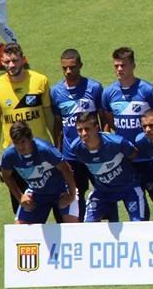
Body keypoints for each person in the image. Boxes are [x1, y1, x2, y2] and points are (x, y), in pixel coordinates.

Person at [0, 43, 55, 215]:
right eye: (7, 61)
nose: (11, 65)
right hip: (15, 155)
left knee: (55, 200)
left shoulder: (40, 81)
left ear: (24, 59)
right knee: (23, 206)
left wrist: (56, 142)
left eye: (15, 61)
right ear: (2, 61)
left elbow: (48, 114)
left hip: (42, 153)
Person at [101, 47, 153, 218]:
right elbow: (109, 121)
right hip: (126, 159)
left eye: (123, 65)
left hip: (148, 157)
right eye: (116, 66)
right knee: (135, 200)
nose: (119, 69)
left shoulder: (148, 91)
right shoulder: (109, 93)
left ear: (133, 65)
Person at [50, 48, 105, 220]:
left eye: (72, 67)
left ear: (80, 65)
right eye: (64, 68)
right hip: (71, 156)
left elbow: (102, 120)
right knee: (76, 194)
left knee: (103, 191)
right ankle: (79, 231)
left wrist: (103, 147)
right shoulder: (56, 92)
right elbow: (58, 125)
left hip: (94, 153)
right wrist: (58, 153)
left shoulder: (94, 88)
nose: (68, 71)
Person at [71, 112, 148, 222]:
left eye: (87, 129)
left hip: (129, 187)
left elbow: (133, 154)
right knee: (88, 227)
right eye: (79, 130)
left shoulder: (116, 142)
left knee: (138, 224)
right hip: (102, 190)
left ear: (96, 128)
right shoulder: (76, 148)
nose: (83, 134)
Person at [0, 121, 78, 224]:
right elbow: (6, 176)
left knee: (72, 227)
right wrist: (20, 197)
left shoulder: (45, 150)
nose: (20, 147)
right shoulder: (9, 155)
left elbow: (67, 169)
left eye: (23, 141)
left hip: (61, 190)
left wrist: (71, 195)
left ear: (30, 138)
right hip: (37, 193)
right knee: (19, 229)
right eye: (16, 143)